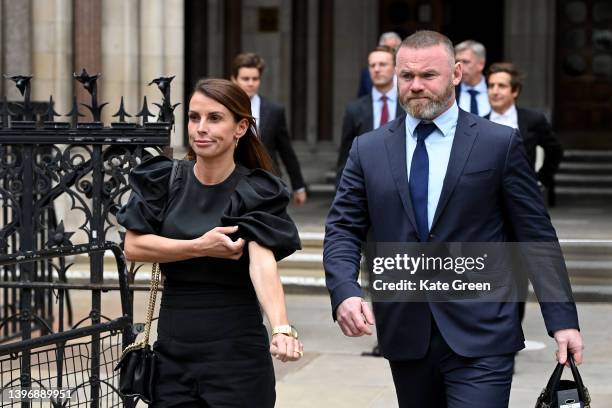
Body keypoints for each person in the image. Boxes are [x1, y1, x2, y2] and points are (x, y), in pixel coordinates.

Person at [324, 30, 583, 407]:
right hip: (405, 331)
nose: (416, 86)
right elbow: (343, 228)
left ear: (457, 74)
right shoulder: (369, 149)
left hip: (484, 331)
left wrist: (562, 319)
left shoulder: (498, 144)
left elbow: (535, 234)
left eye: (429, 75)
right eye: (406, 76)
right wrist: (345, 291)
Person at [117, 78, 304, 407]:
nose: (200, 128)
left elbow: (263, 264)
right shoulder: (166, 179)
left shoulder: (256, 190)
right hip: (173, 348)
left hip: (237, 353)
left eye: (214, 118)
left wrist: (281, 328)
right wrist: (199, 246)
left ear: (240, 127)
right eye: (194, 117)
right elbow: (134, 246)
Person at [231, 52, 307, 206]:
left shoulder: (274, 110)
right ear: (234, 79)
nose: (251, 83)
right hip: (234, 181)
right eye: (245, 79)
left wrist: (298, 186)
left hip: (268, 181)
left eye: (255, 79)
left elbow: (286, 151)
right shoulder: (225, 109)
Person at [486, 62, 563, 206]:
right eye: (491, 86)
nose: (495, 91)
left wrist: (540, 179)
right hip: (488, 199)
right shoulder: (478, 122)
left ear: (515, 91)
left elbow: (555, 151)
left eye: (501, 86)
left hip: (524, 197)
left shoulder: (533, 120)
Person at [337, 45, 406, 184]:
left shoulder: (408, 105)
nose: (376, 69)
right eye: (372, 65)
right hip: (365, 183)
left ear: (395, 68)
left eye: (382, 64)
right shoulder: (354, 110)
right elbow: (345, 156)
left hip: (404, 182)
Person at [357, 32, 402, 97]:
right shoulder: (367, 73)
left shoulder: (409, 70)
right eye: (388, 48)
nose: (393, 51)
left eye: (396, 47)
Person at [454, 40, 491, 116]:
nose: (459, 67)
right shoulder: (451, 90)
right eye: (457, 61)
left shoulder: (494, 87)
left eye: (465, 62)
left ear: (481, 64)